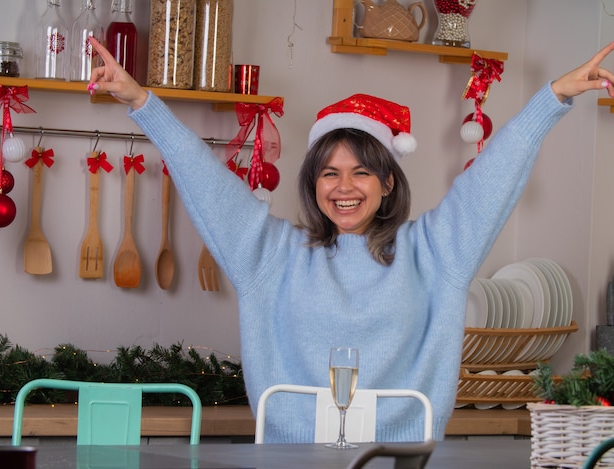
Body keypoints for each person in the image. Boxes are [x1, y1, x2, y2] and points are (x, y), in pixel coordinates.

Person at [88, 37, 614, 443]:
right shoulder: (271, 256)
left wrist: (554, 98)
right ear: (313, 183)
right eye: (329, 173)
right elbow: (207, 181)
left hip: (401, 460)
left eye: (361, 172)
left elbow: (490, 181)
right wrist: (141, 101)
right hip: (290, 460)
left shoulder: (434, 252)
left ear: (388, 183)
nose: (344, 188)